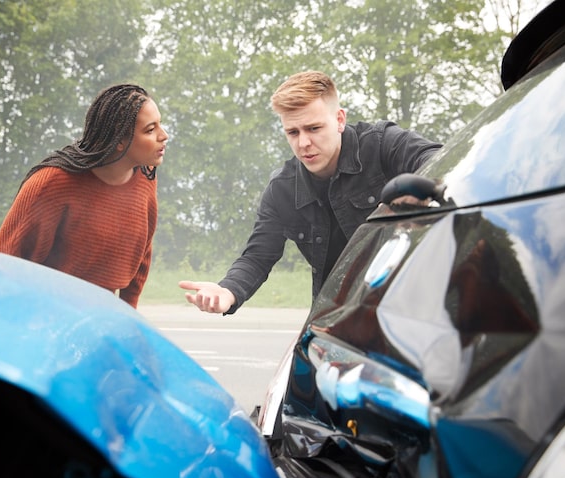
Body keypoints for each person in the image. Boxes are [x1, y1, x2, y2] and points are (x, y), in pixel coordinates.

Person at [179, 70, 441, 314]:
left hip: (415, 301)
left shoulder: (383, 143)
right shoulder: (282, 189)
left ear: (339, 119)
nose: (303, 143)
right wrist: (228, 291)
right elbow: (258, 256)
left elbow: (440, 159)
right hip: (339, 316)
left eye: (313, 128)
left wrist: (421, 188)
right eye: (292, 132)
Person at [0, 84, 168, 308]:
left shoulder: (145, 180)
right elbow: (7, 263)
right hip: (43, 314)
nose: (164, 135)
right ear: (120, 139)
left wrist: (128, 314)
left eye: (160, 125)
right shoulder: (51, 183)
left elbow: (143, 252)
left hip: (102, 315)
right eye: (150, 129)